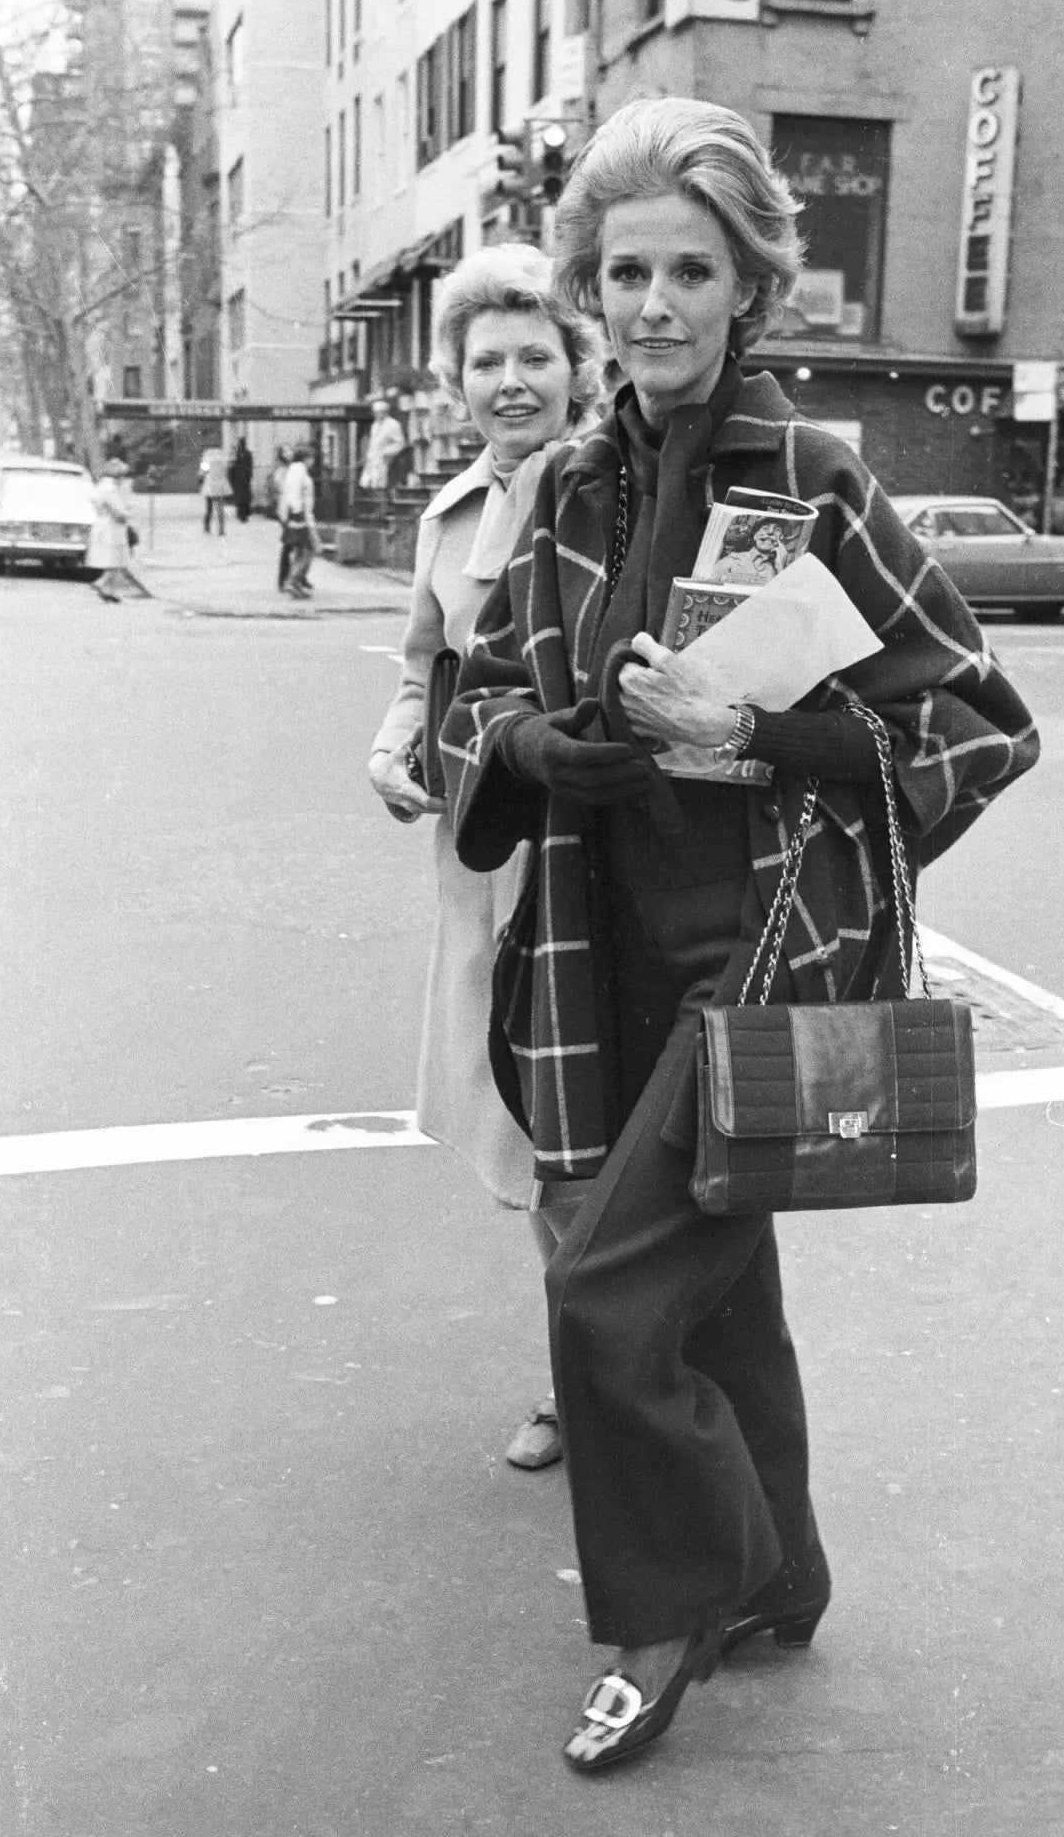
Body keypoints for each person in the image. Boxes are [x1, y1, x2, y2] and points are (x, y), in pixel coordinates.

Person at [440, 98, 1040, 1771]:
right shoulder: (560, 487)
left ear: (745, 288)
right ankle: (780, 1582)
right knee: (719, 1298)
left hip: (772, 960)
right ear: (588, 288)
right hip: (593, 960)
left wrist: (777, 739)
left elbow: (984, 722)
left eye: (688, 269)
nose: (651, 303)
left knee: (611, 1298)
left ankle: (671, 1604)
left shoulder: (818, 479)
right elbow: (466, 715)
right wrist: (539, 749)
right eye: (623, 269)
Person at [368, 245, 604, 1470]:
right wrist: (394, 747)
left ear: (579, 366)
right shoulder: (450, 512)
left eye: (536, 356)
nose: (512, 380)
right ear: (457, 381)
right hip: (485, 854)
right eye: (487, 361)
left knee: (596, 1123)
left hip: (597, 850)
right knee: (523, 1123)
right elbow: (423, 666)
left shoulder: (614, 485)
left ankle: (606, 1383)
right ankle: (579, 1375)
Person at [279, 442, 318, 598]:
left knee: (301, 551)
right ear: (305, 458)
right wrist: (299, 513)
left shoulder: (297, 471)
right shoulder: (298, 472)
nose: (313, 461)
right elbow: (295, 494)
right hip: (300, 517)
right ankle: (293, 581)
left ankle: (295, 582)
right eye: (312, 458)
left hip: (299, 516)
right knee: (309, 550)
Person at [89, 452, 135, 568]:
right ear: (119, 475)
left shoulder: (100, 487)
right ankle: (101, 585)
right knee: (113, 564)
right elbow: (119, 513)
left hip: (103, 526)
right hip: (112, 529)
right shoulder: (110, 489)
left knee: (112, 566)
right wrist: (126, 515)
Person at [358, 398, 406, 500]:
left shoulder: (393, 424)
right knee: (366, 484)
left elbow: (400, 443)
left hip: (385, 460)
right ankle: (378, 507)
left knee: (380, 486)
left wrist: (387, 452)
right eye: (375, 413)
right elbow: (373, 443)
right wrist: (367, 456)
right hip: (372, 459)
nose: (377, 415)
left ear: (385, 412)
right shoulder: (375, 425)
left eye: (379, 412)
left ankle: (383, 508)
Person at [271, 446, 294, 588]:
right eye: (286, 451)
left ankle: (288, 578)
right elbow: (284, 489)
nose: (289, 453)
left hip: (293, 510)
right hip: (286, 511)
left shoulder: (293, 470)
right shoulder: (280, 472)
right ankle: (285, 579)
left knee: (292, 545)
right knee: (289, 544)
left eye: (290, 450)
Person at [199, 446, 227, 535]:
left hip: (210, 486)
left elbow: (201, 473)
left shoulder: (207, 460)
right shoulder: (223, 460)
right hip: (220, 487)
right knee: (220, 509)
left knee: (209, 508)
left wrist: (200, 482)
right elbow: (226, 471)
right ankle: (221, 529)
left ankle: (207, 527)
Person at [228, 437, 254, 523]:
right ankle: (244, 515)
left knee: (240, 497)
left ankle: (241, 515)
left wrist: (232, 478)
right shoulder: (248, 453)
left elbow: (233, 466)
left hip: (239, 478)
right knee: (245, 498)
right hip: (245, 478)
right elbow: (251, 466)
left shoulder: (237, 453)